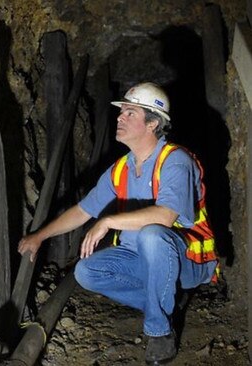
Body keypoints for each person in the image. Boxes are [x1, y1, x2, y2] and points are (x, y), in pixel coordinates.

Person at [17, 82, 218, 365]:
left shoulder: (175, 161)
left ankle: (159, 332)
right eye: (121, 111)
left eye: (130, 112)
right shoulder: (121, 168)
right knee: (87, 271)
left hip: (186, 259)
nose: (120, 117)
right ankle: (164, 301)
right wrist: (40, 235)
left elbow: (166, 216)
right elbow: (83, 211)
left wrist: (109, 221)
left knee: (151, 235)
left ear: (153, 123)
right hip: (142, 260)